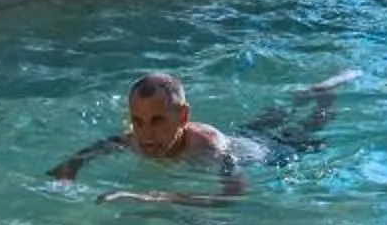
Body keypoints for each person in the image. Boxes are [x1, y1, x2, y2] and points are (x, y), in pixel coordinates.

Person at [51, 71, 344, 205]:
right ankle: (301, 97)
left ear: (183, 117)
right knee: (264, 121)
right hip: (244, 135)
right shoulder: (136, 138)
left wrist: (159, 197)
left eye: (157, 121)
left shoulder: (210, 148)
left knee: (311, 126)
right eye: (138, 122)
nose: (146, 134)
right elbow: (93, 151)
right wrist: (67, 172)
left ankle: (325, 95)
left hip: (270, 153)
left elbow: (235, 194)